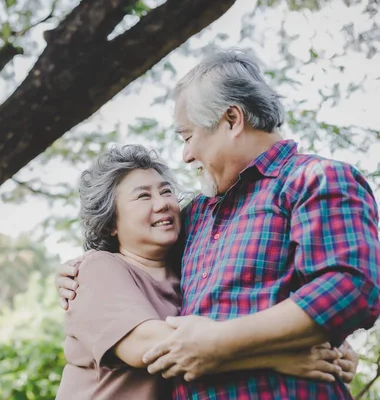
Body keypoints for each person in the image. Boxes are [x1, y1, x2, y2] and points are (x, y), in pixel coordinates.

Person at [56, 50, 379, 399]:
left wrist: (224, 342)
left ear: (232, 119)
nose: (186, 156)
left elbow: (351, 287)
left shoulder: (313, 179)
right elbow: (133, 267)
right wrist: (76, 271)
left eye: (187, 137)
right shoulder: (199, 215)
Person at [56, 144, 358, 400]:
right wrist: (282, 357)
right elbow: (153, 348)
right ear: (110, 222)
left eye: (166, 191)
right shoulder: (97, 269)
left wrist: (327, 339)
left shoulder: (189, 273)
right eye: (143, 196)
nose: (162, 204)